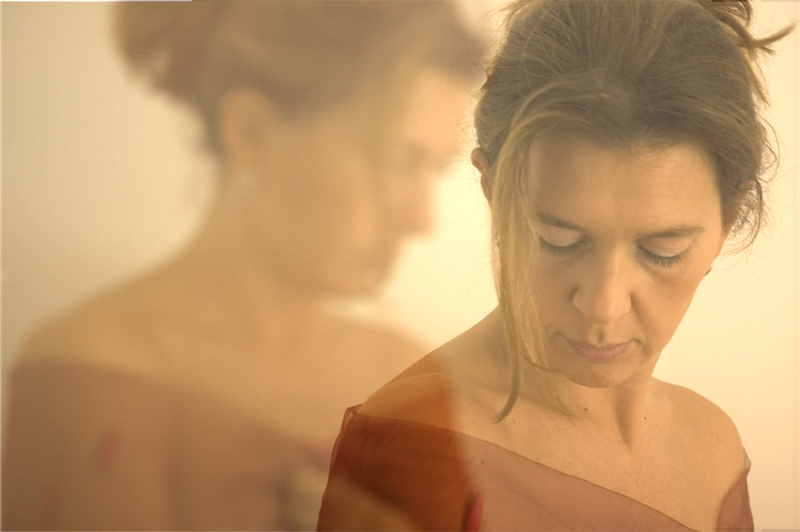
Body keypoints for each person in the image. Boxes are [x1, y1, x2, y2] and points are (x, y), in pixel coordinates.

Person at [1, 2, 484, 530]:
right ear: (251, 132)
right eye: (399, 161)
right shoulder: (90, 372)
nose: (421, 221)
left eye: (434, 170)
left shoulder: (408, 381)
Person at [316, 0, 793, 530]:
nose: (603, 305)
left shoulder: (714, 448)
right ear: (493, 191)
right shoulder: (420, 442)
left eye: (662, 251)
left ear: (728, 219)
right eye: (559, 240)